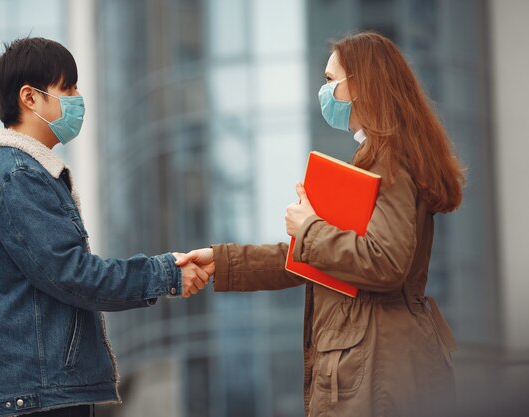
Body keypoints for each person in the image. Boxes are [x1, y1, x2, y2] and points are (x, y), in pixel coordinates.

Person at [176, 31, 465, 417]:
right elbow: (315, 259)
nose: (324, 91)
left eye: (331, 81)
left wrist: (309, 226)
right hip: (376, 363)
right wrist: (222, 260)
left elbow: (386, 263)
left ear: (361, 84)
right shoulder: (378, 157)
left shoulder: (388, 158)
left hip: (377, 370)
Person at [0, 37, 212, 417]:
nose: (78, 98)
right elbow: (73, 274)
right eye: (68, 88)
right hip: (38, 397)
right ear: (29, 98)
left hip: (38, 392)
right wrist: (165, 274)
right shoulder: (17, 177)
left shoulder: (21, 173)